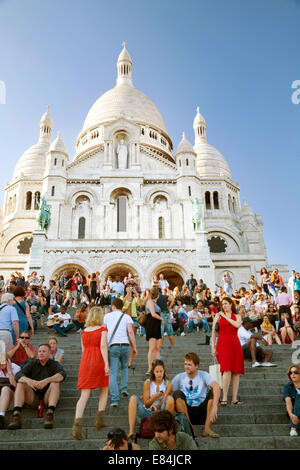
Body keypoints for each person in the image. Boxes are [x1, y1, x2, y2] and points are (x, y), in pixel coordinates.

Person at [8, 343, 66, 430]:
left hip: (48, 397)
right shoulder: (33, 363)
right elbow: (18, 375)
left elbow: (62, 375)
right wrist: (29, 381)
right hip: (33, 397)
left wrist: (46, 381)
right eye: (39, 351)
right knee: (21, 383)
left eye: (44, 351)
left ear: (49, 353)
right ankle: (16, 415)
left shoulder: (54, 364)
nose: (41, 353)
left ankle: (50, 414)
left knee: (55, 382)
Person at [72, 306, 109, 440]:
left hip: (86, 361)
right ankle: (99, 420)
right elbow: (103, 346)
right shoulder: (103, 329)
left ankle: (77, 425)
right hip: (98, 360)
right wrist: (106, 364)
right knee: (104, 389)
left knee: (84, 395)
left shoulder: (84, 331)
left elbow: (83, 350)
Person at [172, 352, 220, 438]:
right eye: (185, 364)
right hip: (186, 413)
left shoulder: (203, 375)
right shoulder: (179, 377)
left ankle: (207, 428)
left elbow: (216, 386)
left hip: (203, 412)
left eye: (189, 364)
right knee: (177, 394)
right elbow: (168, 392)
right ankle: (189, 428)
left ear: (196, 365)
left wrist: (215, 406)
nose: (186, 367)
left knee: (213, 392)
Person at [127, 359, 174, 440]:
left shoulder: (168, 383)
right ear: (153, 372)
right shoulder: (148, 383)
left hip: (161, 411)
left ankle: (167, 430)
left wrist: (157, 407)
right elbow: (146, 404)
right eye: (157, 371)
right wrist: (156, 396)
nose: (159, 374)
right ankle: (131, 431)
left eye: (161, 371)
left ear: (164, 371)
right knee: (133, 398)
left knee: (170, 398)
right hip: (147, 411)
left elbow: (164, 400)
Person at [104, 298, 138, 407]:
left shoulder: (107, 317)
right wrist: (135, 347)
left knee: (113, 372)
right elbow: (131, 332)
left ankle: (115, 399)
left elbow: (104, 332)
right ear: (122, 306)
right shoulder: (126, 317)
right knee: (124, 367)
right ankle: (124, 388)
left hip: (113, 346)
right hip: (125, 345)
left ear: (113, 306)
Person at [211, 297, 244, 406]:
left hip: (235, 343)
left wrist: (225, 316)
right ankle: (224, 397)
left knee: (236, 372)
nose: (223, 306)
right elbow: (213, 332)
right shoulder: (218, 316)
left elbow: (237, 325)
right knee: (226, 369)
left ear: (231, 304)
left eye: (226, 303)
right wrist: (213, 347)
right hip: (223, 343)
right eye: (222, 304)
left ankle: (234, 398)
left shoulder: (237, 316)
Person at [145, 287, 164, 374]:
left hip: (156, 325)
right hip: (151, 324)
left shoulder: (154, 302)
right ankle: (150, 368)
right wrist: (161, 319)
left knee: (157, 347)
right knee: (152, 348)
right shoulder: (150, 302)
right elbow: (153, 314)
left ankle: (157, 367)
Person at [0, 358, 21, 429]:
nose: (2, 363)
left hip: (12, 398)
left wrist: (10, 372)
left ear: (8, 361)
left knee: (5, 389)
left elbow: (15, 385)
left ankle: (1, 416)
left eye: (3, 361)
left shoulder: (16, 368)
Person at [284, 364, 300, 436]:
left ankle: (293, 428)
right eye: (291, 373)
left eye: (295, 372)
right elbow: (288, 401)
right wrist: (291, 415)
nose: (293, 374)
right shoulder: (288, 386)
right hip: (293, 412)